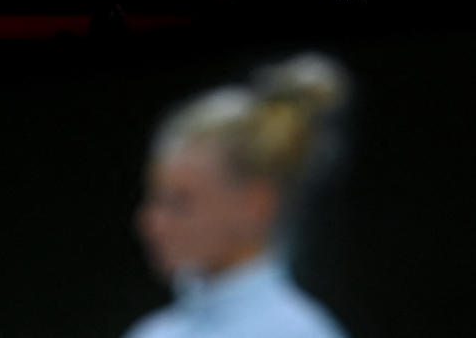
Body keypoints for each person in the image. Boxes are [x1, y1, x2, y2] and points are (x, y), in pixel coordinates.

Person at [123, 54, 351, 338]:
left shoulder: (300, 331)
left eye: (181, 201)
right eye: (155, 199)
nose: (150, 222)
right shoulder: (155, 331)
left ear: (255, 203)